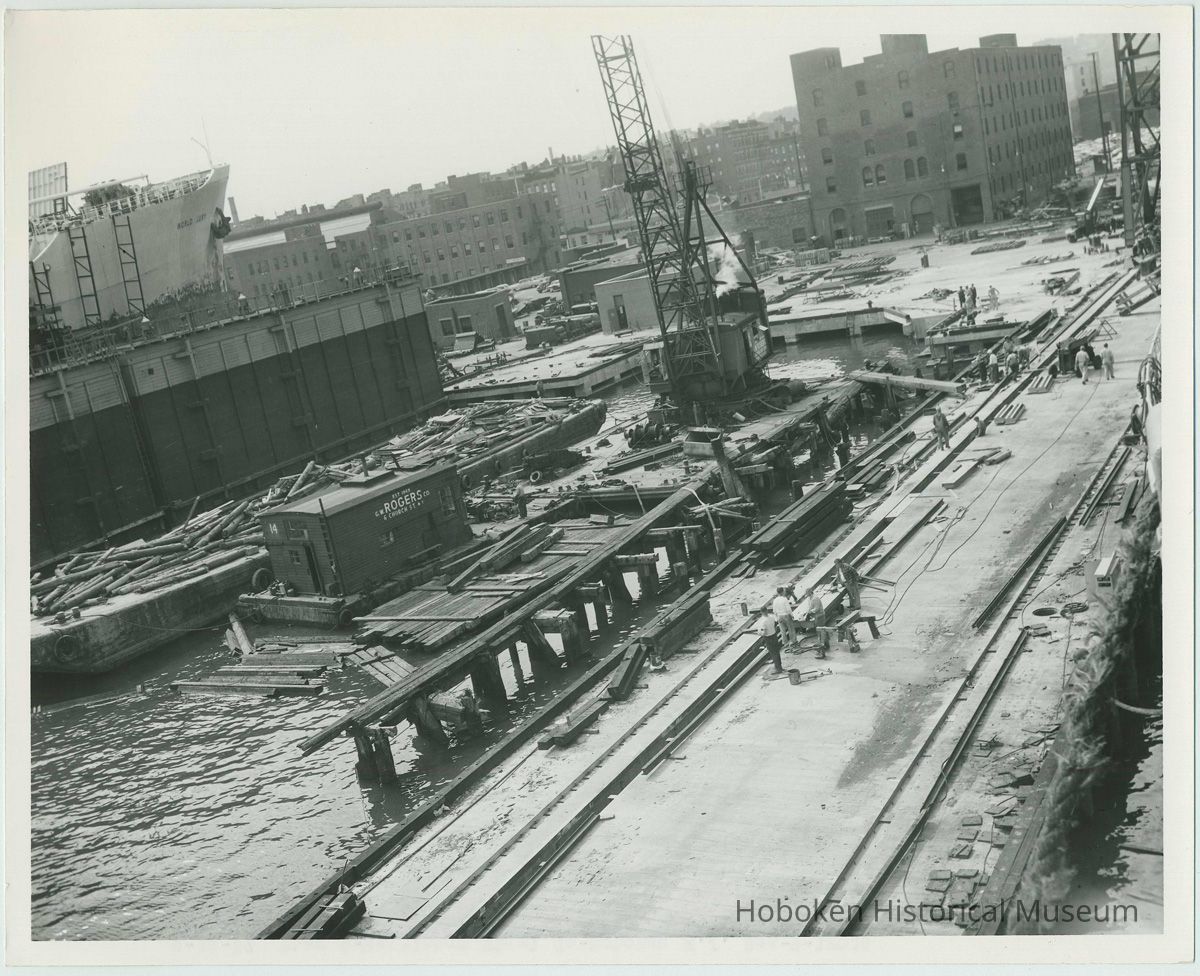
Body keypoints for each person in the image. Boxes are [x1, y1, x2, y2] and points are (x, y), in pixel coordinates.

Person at [756, 608, 783, 673]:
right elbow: (775, 625)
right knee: (777, 652)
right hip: (774, 636)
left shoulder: (763, 621)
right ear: (767, 611)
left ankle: (778, 669)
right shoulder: (771, 617)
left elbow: (764, 632)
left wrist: (759, 633)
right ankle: (780, 666)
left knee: (773, 653)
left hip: (768, 638)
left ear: (761, 612)